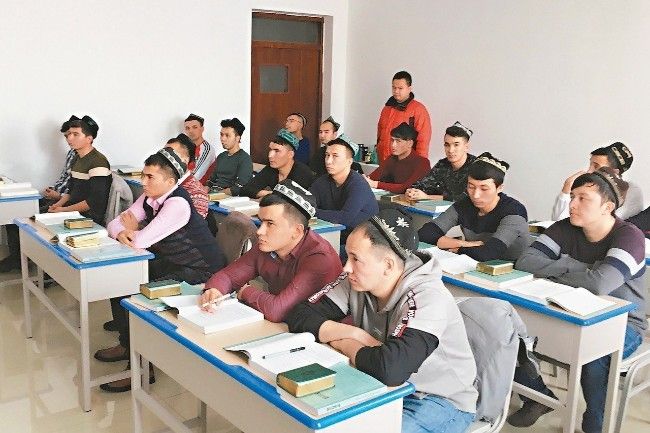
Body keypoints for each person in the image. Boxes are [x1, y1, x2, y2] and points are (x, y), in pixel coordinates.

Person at [286, 208, 478, 433]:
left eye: (356, 259)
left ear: (388, 265)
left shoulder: (428, 297)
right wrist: (355, 334)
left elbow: (391, 370)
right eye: (347, 256)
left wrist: (343, 342)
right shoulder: (357, 279)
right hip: (378, 384)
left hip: (437, 399)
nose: (346, 267)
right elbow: (300, 315)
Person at [511, 167, 646, 433]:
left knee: (595, 356)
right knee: (509, 334)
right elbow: (525, 262)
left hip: (623, 323)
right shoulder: (565, 228)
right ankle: (539, 398)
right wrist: (579, 268)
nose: (572, 204)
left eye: (583, 198)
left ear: (607, 207)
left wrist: (557, 268)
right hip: (566, 309)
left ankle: (595, 424)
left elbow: (600, 284)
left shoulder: (629, 237)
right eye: (573, 196)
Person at [95, 149, 226, 392]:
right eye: (143, 175)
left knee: (138, 297)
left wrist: (131, 232)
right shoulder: (150, 197)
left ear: (169, 181)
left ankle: (143, 368)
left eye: (150, 177)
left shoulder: (177, 203)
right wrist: (124, 232)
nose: (143, 182)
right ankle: (127, 344)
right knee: (119, 281)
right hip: (175, 262)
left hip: (202, 271)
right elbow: (113, 225)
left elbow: (141, 240)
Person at [200, 180, 342, 322]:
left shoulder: (319, 259)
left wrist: (245, 291)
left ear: (297, 231)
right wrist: (215, 290)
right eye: (261, 221)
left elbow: (278, 311)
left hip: (316, 331)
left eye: (270, 224)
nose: (259, 231)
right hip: (280, 326)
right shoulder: (268, 245)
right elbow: (228, 276)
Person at [418, 152, 531, 261]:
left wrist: (455, 248)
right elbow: (425, 234)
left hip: (513, 268)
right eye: (471, 187)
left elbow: (488, 253)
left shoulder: (514, 211)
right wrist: (466, 244)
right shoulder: (464, 205)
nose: (476, 195)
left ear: (499, 188)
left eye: (484, 189)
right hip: (472, 262)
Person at [309, 135, 378, 240]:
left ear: (349, 161)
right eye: (327, 155)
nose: (328, 161)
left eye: (335, 156)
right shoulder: (321, 181)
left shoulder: (358, 184)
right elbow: (306, 203)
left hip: (363, 240)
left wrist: (312, 211)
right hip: (336, 235)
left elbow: (344, 218)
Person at [551, 142, 643, 220]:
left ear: (614, 172)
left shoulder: (630, 192)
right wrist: (566, 190)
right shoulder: (587, 188)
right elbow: (557, 224)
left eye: (596, 166)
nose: (589, 171)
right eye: (590, 165)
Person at [406, 121, 477, 202]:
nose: (450, 150)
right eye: (447, 145)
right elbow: (422, 184)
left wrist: (427, 197)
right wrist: (412, 192)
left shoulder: (477, 167)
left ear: (466, 147)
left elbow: (465, 199)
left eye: (456, 145)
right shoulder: (442, 164)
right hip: (439, 209)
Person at [240, 129, 315, 199]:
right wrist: (271, 193)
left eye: (277, 151)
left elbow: (291, 200)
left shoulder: (302, 173)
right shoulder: (271, 169)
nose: (270, 155)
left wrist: (271, 194)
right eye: (270, 150)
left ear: (290, 154)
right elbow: (245, 190)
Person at [376, 71, 432, 162]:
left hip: (406, 164)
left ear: (409, 88)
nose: (396, 91)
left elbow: (423, 142)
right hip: (384, 162)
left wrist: (419, 165)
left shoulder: (418, 110)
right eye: (394, 87)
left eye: (400, 88)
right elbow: (380, 134)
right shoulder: (386, 109)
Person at [365, 122, 430, 194]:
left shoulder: (422, 163)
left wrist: (376, 184)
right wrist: (364, 179)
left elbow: (406, 188)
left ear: (410, 143)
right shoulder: (391, 159)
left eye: (398, 141)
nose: (393, 145)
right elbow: (373, 177)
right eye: (392, 140)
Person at [206, 118, 253, 196]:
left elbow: (239, 187)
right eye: (221, 135)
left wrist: (216, 194)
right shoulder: (221, 156)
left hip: (227, 197)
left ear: (237, 138)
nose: (222, 138)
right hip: (213, 193)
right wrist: (204, 190)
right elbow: (211, 180)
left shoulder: (245, 159)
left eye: (227, 135)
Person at [184, 113, 216, 184]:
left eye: (195, 127)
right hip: (185, 185)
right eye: (187, 128)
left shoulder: (207, 149)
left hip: (199, 187)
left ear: (202, 129)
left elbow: (196, 176)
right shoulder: (185, 147)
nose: (191, 131)